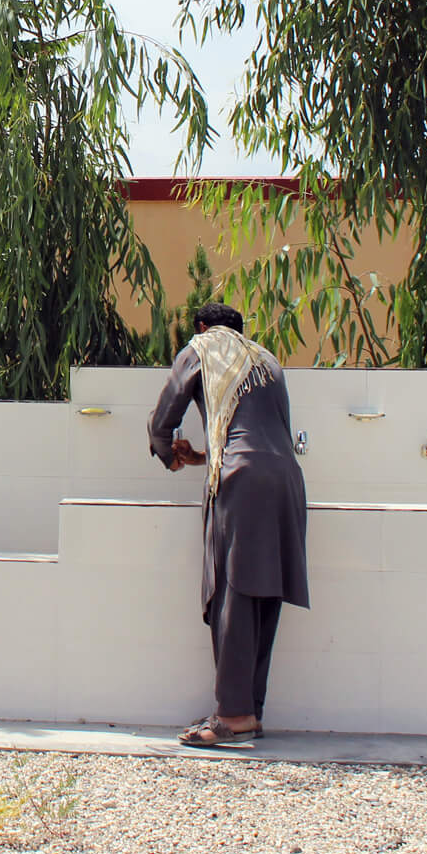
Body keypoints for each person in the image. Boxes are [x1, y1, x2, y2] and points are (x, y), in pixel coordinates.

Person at [148, 303, 310, 747]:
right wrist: (203, 455)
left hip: (243, 483)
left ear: (203, 327)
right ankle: (250, 710)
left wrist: (169, 453)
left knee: (233, 593)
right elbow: (253, 432)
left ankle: (232, 716)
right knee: (264, 596)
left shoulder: (201, 348)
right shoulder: (267, 361)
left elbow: (162, 421)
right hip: (286, 480)